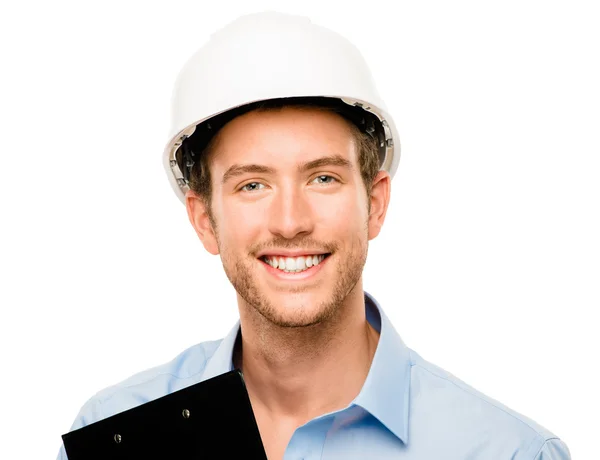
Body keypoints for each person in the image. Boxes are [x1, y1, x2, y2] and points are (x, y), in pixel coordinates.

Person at [56, 11, 571, 460]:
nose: (290, 220)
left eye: (323, 178)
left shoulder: (507, 453)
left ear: (375, 203)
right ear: (204, 220)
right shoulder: (110, 437)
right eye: (252, 184)